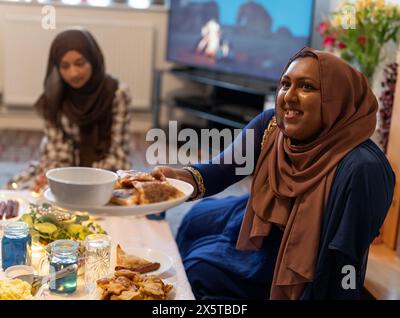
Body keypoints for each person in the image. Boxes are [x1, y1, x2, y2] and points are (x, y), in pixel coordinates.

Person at [151, 47, 395, 300]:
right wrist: (177, 178)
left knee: (199, 268)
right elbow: (221, 169)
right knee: (194, 220)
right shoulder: (273, 125)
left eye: (307, 87)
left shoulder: (362, 168)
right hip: (264, 225)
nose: (289, 96)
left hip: (303, 264)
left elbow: (345, 263)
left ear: (337, 100)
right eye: (285, 84)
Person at [6, 28, 132, 192]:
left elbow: (117, 151)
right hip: (63, 169)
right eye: (65, 66)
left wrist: (85, 182)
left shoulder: (117, 93)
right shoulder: (54, 96)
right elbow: (56, 152)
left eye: (80, 63)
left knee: (113, 197)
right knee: (17, 191)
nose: (73, 73)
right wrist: (58, 180)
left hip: (106, 169)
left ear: (93, 60)